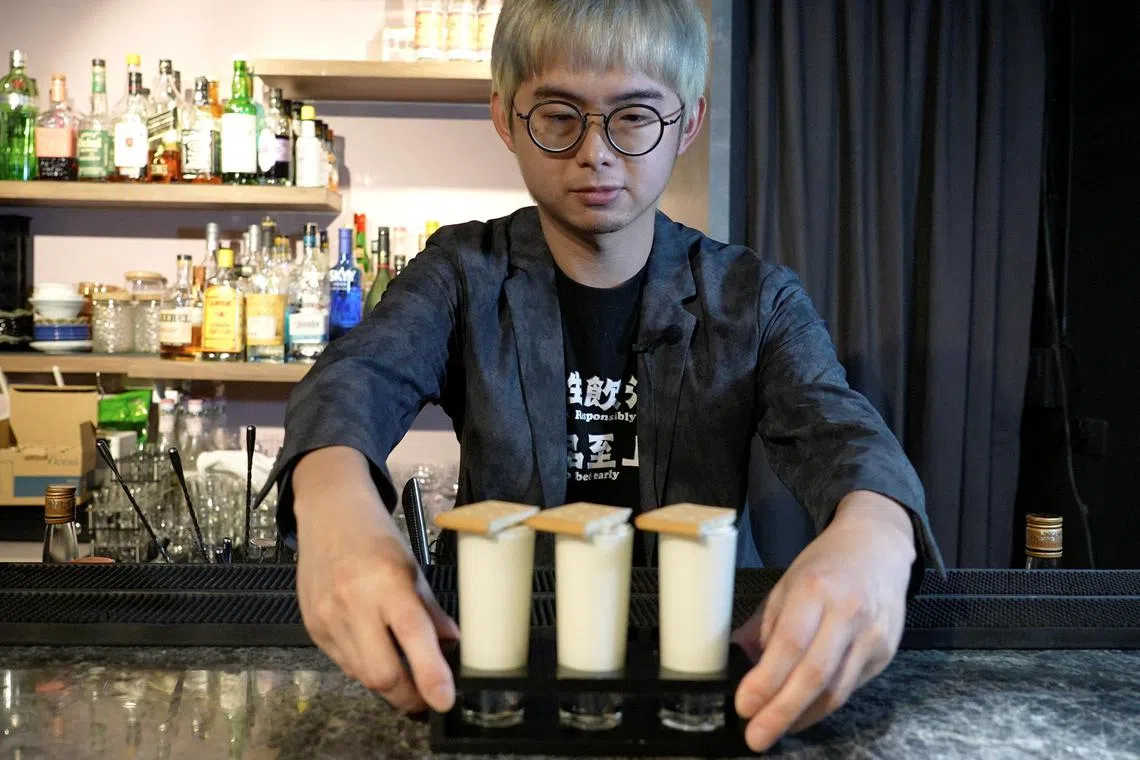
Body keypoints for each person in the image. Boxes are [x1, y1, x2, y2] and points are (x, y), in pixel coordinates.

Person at [264, 0, 944, 752]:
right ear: (505, 116)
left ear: (688, 123)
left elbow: (838, 427)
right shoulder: (461, 273)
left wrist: (877, 534)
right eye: (560, 116)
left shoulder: (752, 297)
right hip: (505, 663)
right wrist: (332, 504)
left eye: (635, 117)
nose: (596, 152)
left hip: (702, 667)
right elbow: (355, 376)